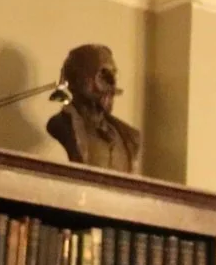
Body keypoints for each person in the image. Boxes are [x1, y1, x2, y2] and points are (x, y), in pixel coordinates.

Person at [45, 43, 144, 174]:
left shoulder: (130, 138)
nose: (112, 84)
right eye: (103, 74)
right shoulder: (62, 125)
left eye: (114, 74)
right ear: (76, 80)